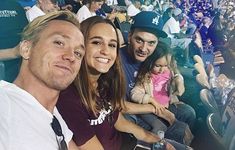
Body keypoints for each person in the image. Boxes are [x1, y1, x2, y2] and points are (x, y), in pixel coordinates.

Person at [57, 16, 178, 150]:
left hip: (127, 142)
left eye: (112, 45)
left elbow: (119, 122)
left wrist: (156, 140)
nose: (105, 51)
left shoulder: (104, 82)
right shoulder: (68, 96)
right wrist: (154, 108)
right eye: (97, 42)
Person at [0, 11, 85, 150]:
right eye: (59, 42)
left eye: (78, 53)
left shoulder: (51, 113)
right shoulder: (5, 105)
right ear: (26, 49)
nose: (71, 56)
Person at [119, 11, 196, 132]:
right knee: (180, 131)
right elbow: (119, 107)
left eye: (151, 42)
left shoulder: (153, 53)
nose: (144, 49)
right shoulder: (117, 61)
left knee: (189, 113)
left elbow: (170, 66)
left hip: (157, 102)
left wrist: (178, 78)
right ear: (129, 37)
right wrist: (155, 108)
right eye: (139, 40)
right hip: (134, 112)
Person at [130, 41, 194, 145]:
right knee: (160, 127)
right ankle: (152, 145)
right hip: (149, 110)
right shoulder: (146, 76)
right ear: (150, 62)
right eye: (158, 65)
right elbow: (135, 94)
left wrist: (179, 81)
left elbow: (176, 76)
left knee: (188, 114)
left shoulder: (168, 71)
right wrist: (150, 99)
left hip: (166, 105)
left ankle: (181, 144)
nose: (162, 69)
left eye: (165, 65)